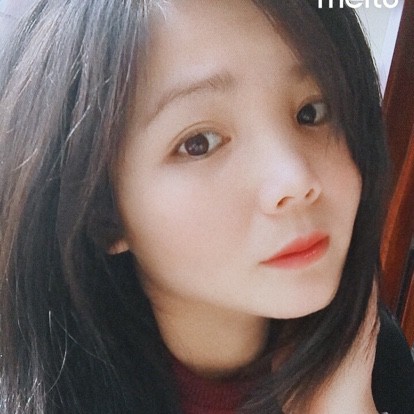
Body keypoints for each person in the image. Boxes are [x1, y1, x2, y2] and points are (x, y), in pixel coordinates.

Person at [0, 0, 413, 413]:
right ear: (103, 214)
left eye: (311, 112)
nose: (297, 180)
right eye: (199, 143)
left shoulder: (374, 359)